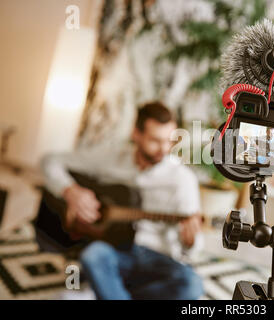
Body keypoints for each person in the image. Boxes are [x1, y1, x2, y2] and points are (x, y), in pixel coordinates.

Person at [41, 102, 204, 300]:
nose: (164, 148)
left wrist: (190, 240)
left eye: (169, 141)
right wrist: (71, 191)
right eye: (155, 140)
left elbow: (192, 248)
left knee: (191, 285)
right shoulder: (112, 157)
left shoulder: (183, 179)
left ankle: (104, 291)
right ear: (136, 134)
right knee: (93, 255)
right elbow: (50, 161)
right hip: (115, 252)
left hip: (156, 260)